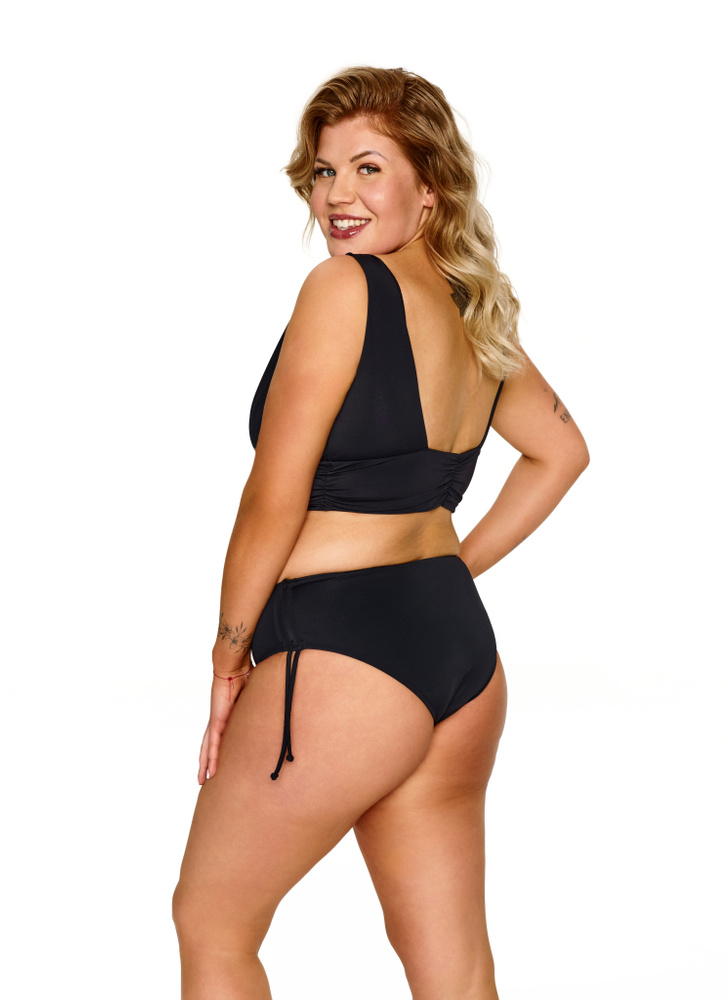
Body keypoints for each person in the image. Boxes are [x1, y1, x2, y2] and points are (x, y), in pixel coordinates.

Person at [172, 66, 589, 999]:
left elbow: (273, 497)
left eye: (368, 168)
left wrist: (228, 656)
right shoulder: (474, 309)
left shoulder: (343, 288)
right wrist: (449, 572)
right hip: (458, 656)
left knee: (213, 925)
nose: (338, 196)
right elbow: (561, 453)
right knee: (454, 970)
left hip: (343, 650)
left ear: (429, 185)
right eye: (324, 172)